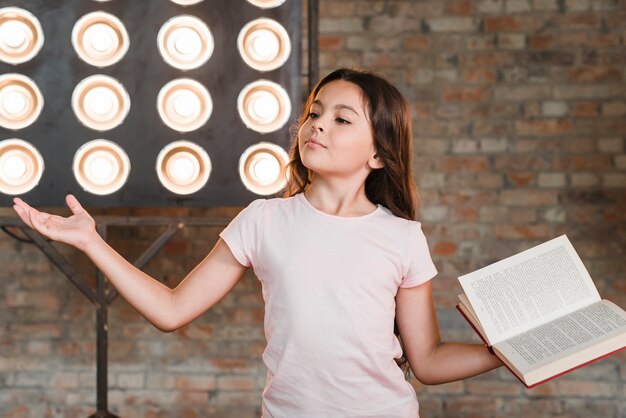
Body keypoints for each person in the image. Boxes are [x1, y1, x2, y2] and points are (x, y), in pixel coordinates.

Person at [13, 68, 502, 418]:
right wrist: (91, 243)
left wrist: (503, 352)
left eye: (341, 119)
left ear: (378, 153)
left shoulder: (402, 237)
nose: (317, 124)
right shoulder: (264, 219)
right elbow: (171, 310)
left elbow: (429, 361)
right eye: (315, 112)